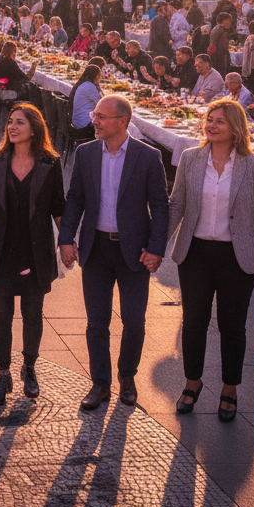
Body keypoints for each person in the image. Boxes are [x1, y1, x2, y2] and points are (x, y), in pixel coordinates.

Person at [58, 94, 170, 411]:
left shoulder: (147, 157)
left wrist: (156, 249)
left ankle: (128, 377)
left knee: (134, 321)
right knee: (97, 322)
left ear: (122, 121)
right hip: (96, 249)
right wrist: (66, 238)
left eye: (101, 117)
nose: (94, 121)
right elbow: (75, 198)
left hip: (134, 252)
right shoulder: (86, 153)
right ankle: (100, 383)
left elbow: (160, 207)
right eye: (95, 115)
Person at [168, 98, 254, 420]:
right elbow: (176, 205)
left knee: (233, 326)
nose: (211, 125)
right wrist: (154, 247)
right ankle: (192, 382)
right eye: (209, 118)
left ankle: (230, 388)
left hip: (237, 256)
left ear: (236, 129)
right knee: (194, 323)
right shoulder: (190, 158)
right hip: (196, 253)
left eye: (220, 121)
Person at [0, 103, 66, 405]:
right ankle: (3, 374)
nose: (12, 127)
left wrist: (67, 241)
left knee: (32, 314)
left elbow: (58, 207)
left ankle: (29, 367)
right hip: (2, 250)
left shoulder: (49, 163)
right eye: (10, 122)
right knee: (1, 315)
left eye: (19, 123)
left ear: (34, 128)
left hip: (35, 251)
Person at [70, 63, 102, 141]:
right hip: (84, 123)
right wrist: (99, 86)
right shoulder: (89, 86)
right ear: (96, 76)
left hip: (78, 120)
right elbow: (101, 103)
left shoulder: (84, 84)